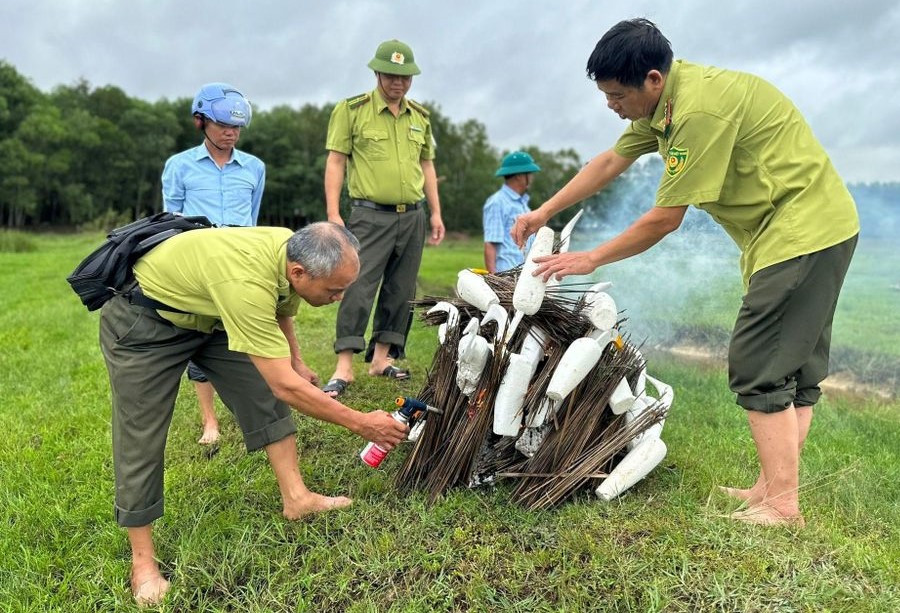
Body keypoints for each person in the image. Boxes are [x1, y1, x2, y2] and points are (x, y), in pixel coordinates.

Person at [512, 18, 859, 527]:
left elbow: (664, 219)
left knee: (758, 360)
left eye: (617, 95)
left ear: (652, 80)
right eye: (605, 95)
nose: (611, 105)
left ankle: (783, 506)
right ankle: (772, 488)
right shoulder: (664, 104)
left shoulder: (697, 113)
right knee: (794, 366)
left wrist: (589, 259)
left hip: (803, 232)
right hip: (807, 231)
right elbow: (610, 161)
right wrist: (544, 212)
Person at [99, 222, 409, 605]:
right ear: (299, 272)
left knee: (264, 395)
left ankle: (297, 498)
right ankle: (142, 563)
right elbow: (287, 387)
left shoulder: (288, 251)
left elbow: (282, 309)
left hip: (211, 316)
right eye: (334, 290)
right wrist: (363, 423)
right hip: (145, 321)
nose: (340, 297)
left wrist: (294, 358)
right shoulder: (247, 283)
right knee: (140, 434)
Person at [322, 39, 446, 399]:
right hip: (368, 215)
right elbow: (336, 160)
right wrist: (333, 213)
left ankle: (381, 359)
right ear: (378, 72)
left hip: (413, 216)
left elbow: (427, 164)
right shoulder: (352, 110)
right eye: (392, 75)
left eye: (405, 77)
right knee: (358, 286)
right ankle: (344, 365)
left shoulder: (420, 116)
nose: (399, 83)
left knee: (402, 290)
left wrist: (436, 212)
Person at [162, 82, 267, 446]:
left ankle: (257, 411)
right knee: (200, 337)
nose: (230, 133)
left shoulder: (254, 167)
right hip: (198, 263)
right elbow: (170, 220)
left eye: (236, 127)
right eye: (223, 125)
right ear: (200, 121)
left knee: (247, 334)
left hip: (241, 262)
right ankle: (210, 421)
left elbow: (252, 219)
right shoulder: (179, 167)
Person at [483, 151, 541, 273]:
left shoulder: (523, 203)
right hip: (506, 274)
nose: (532, 177)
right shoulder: (497, 202)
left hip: (524, 274)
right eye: (529, 173)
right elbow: (491, 243)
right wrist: (495, 280)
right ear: (519, 176)